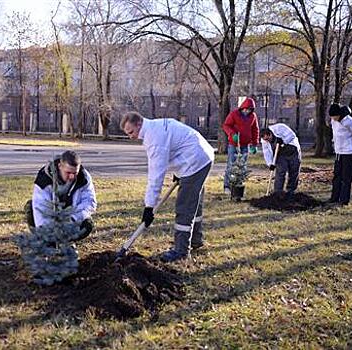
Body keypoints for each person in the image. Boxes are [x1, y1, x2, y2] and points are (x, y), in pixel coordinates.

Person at [120, 112, 214, 262]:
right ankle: (196, 239)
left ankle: (181, 251)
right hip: (200, 155)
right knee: (193, 203)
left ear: (139, 124)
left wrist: (149, 207)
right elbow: (177, 144)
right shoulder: (154, 126)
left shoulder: (153, 138)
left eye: (131, 132)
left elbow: (156, 175)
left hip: (195, 162)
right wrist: (179, 170)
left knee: (184, 206)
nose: (130, 136)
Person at [25, 150, 97, 240]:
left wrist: (72, 218)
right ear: (60, 166)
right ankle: (46, 241)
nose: (72, 177)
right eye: (68, 173)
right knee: (30, 207)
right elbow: (40, 207)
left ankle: (68, 242)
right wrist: (49, 233)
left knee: (88, 224)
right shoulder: (44, 178)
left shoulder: (84, 177)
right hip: (50, 220)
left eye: (75, 173)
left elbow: (90, 202)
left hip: (71, 218)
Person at [328, 103, 352, 205]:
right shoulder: (334, 121)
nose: (333, 119)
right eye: (331, 117)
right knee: (337, 175)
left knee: (346, 177)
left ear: (339, 114)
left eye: (334, 116)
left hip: (349, 152)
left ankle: (344, 200)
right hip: (339, 152)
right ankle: (334, 198)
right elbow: (335, 134)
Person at [222, 97, 260, 194]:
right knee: (231, 164)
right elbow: (226, 125)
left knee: (242, 166)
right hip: (234, 144)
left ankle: (238, 185)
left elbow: (255, 130)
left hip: (245, 145)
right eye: (246, 109)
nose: (247, 111)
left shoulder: (253, 117)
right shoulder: (234, 114)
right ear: (242, 107)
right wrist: (232, 134)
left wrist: (254, 144)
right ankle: (227, 186)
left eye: (250, 110)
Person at [260, 124, 301, 197]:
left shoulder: (280, 127)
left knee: (294, 171)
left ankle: (290, 191)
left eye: (268, 138)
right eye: (265, 139)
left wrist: (283, 141)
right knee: (280, 172)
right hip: (280, 155)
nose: (267, 140)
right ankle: (278, 192)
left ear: (270, 134)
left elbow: (292, 135)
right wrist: (270, 164)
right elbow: (266, 152)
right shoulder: (264, 141)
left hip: (292, 150)